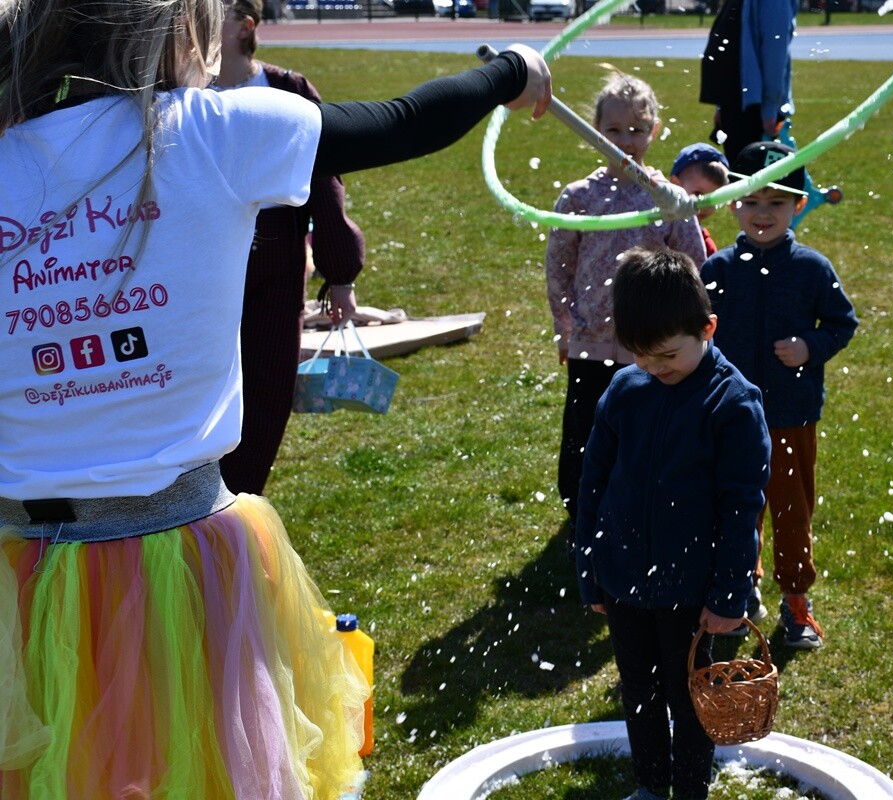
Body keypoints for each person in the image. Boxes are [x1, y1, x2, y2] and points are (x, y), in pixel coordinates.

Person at [0, 0, 552, 794]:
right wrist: (511, 70)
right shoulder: (218, 132)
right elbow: (403, 121)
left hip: (26, 571)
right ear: (171, 29)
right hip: (181, 574)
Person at [575, 247, 769, 800]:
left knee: (689, 695)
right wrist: (592, 570)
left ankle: (689, 790)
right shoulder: (624, 391)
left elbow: (741, 509)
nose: (656, 368)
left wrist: (730, 593)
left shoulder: (732, 404)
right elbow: (593, 484)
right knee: (637, 688)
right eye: (641, 356)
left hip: (691, 588)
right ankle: (650, 786)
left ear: (707, 327)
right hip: (624, 579)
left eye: (668, 355)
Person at [700, 141, 858, 650]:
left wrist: (810, 346)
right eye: (751, 202)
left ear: (800, 206)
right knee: (733, 508)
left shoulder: (812, 269)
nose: (762, 214)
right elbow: (696, 332)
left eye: (777, 203)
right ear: (732, 204)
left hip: (792, 414)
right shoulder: (718, 270)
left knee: (791, 509)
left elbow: (842, 322)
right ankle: (741, 585)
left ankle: (796, 601)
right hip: (730, 418)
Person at [214, 0, 365, 496]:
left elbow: (325, 181)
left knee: (265, 399)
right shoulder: (177, 93)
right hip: (200, 282)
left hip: (274, 282)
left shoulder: (287, 91)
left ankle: (236, 509)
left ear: (244, 26)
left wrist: (340, 273)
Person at [544, 71, 706, 531]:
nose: (626, 140)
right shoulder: (579, 196)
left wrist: (686, 330)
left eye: (637, 130)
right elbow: (559, 265)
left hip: (650, 345)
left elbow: (693, 262)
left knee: (648, 427)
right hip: (591, 339)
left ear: (654, 132)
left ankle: (642, 504)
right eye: (614, 130)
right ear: (595, 132)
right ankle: (581, 509)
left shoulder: (665, 197)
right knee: (586, 428)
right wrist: (563, 324)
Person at [699, 0, 801, 160]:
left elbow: (774, 50)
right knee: (740, 172)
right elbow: (733, 34)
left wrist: (770, 108)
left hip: (754, 105)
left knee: (751, 175)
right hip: (738, 99)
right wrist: (722, 104)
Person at [669, 142, 730, 258]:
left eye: (713, 198)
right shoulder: (658, 227)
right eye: (698, 194)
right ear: (675, 184)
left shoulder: (706, 245)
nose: (705, 205)